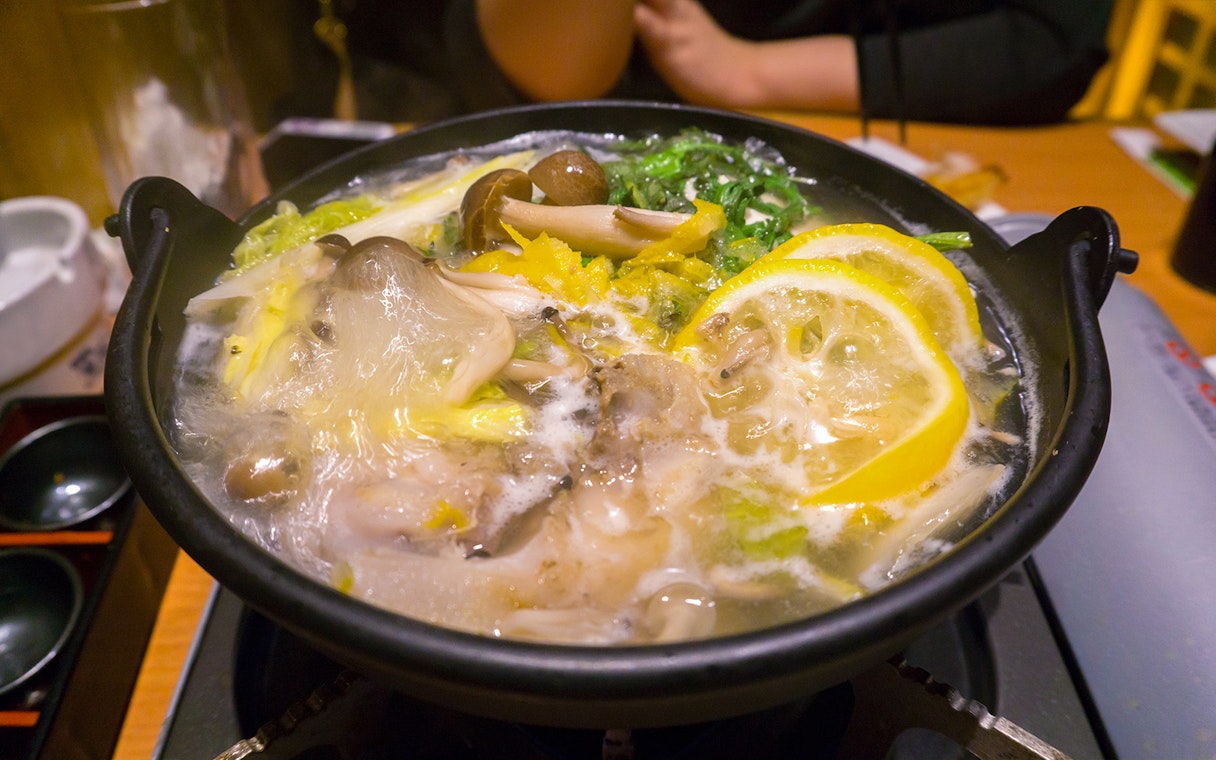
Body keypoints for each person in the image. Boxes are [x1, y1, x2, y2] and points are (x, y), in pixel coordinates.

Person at [443, 0, 1114, 125]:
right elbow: (549, 75)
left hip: (925, 128)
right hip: (626, 121)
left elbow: (1051, 39)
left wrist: (751, 72)